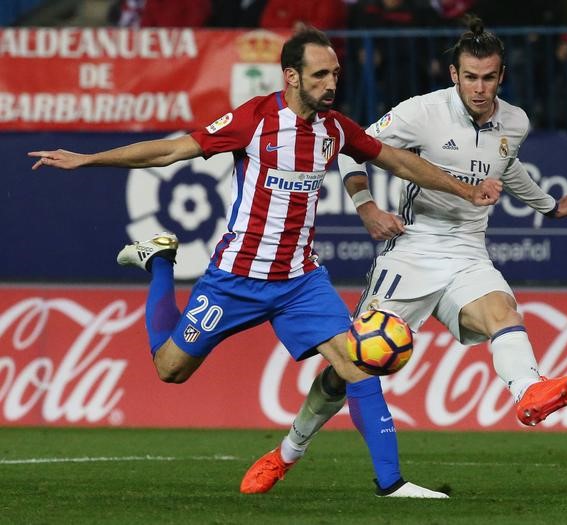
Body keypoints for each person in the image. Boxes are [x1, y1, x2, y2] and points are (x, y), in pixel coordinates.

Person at [29, 27, 501, 498]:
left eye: (335, 73)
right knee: (170, 369)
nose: (331, 84)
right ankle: (160, 262)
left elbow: (399, 161)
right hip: (234, 279)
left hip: (300, 282)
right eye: (320, 75)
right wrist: (87, 160)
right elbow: (173, 150)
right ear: (291, 77)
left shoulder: (334, 128)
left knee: (357, 363)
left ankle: (392, 483)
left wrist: (466, 191)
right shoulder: (254, 120)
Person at [245, 17, 567, 496]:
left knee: (503, 313)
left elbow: (508, 168)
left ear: (501, 77)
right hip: (411, 250)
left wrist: (551, 208)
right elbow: (348, 149)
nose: (479, 87)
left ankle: (528, 392)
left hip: (468, 251)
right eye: (470, 77)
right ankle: (287, 453)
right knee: (353, 364)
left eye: (488, 78)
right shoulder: (419, 113)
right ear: (453, 74)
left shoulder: (515, 121)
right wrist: (366, 206)